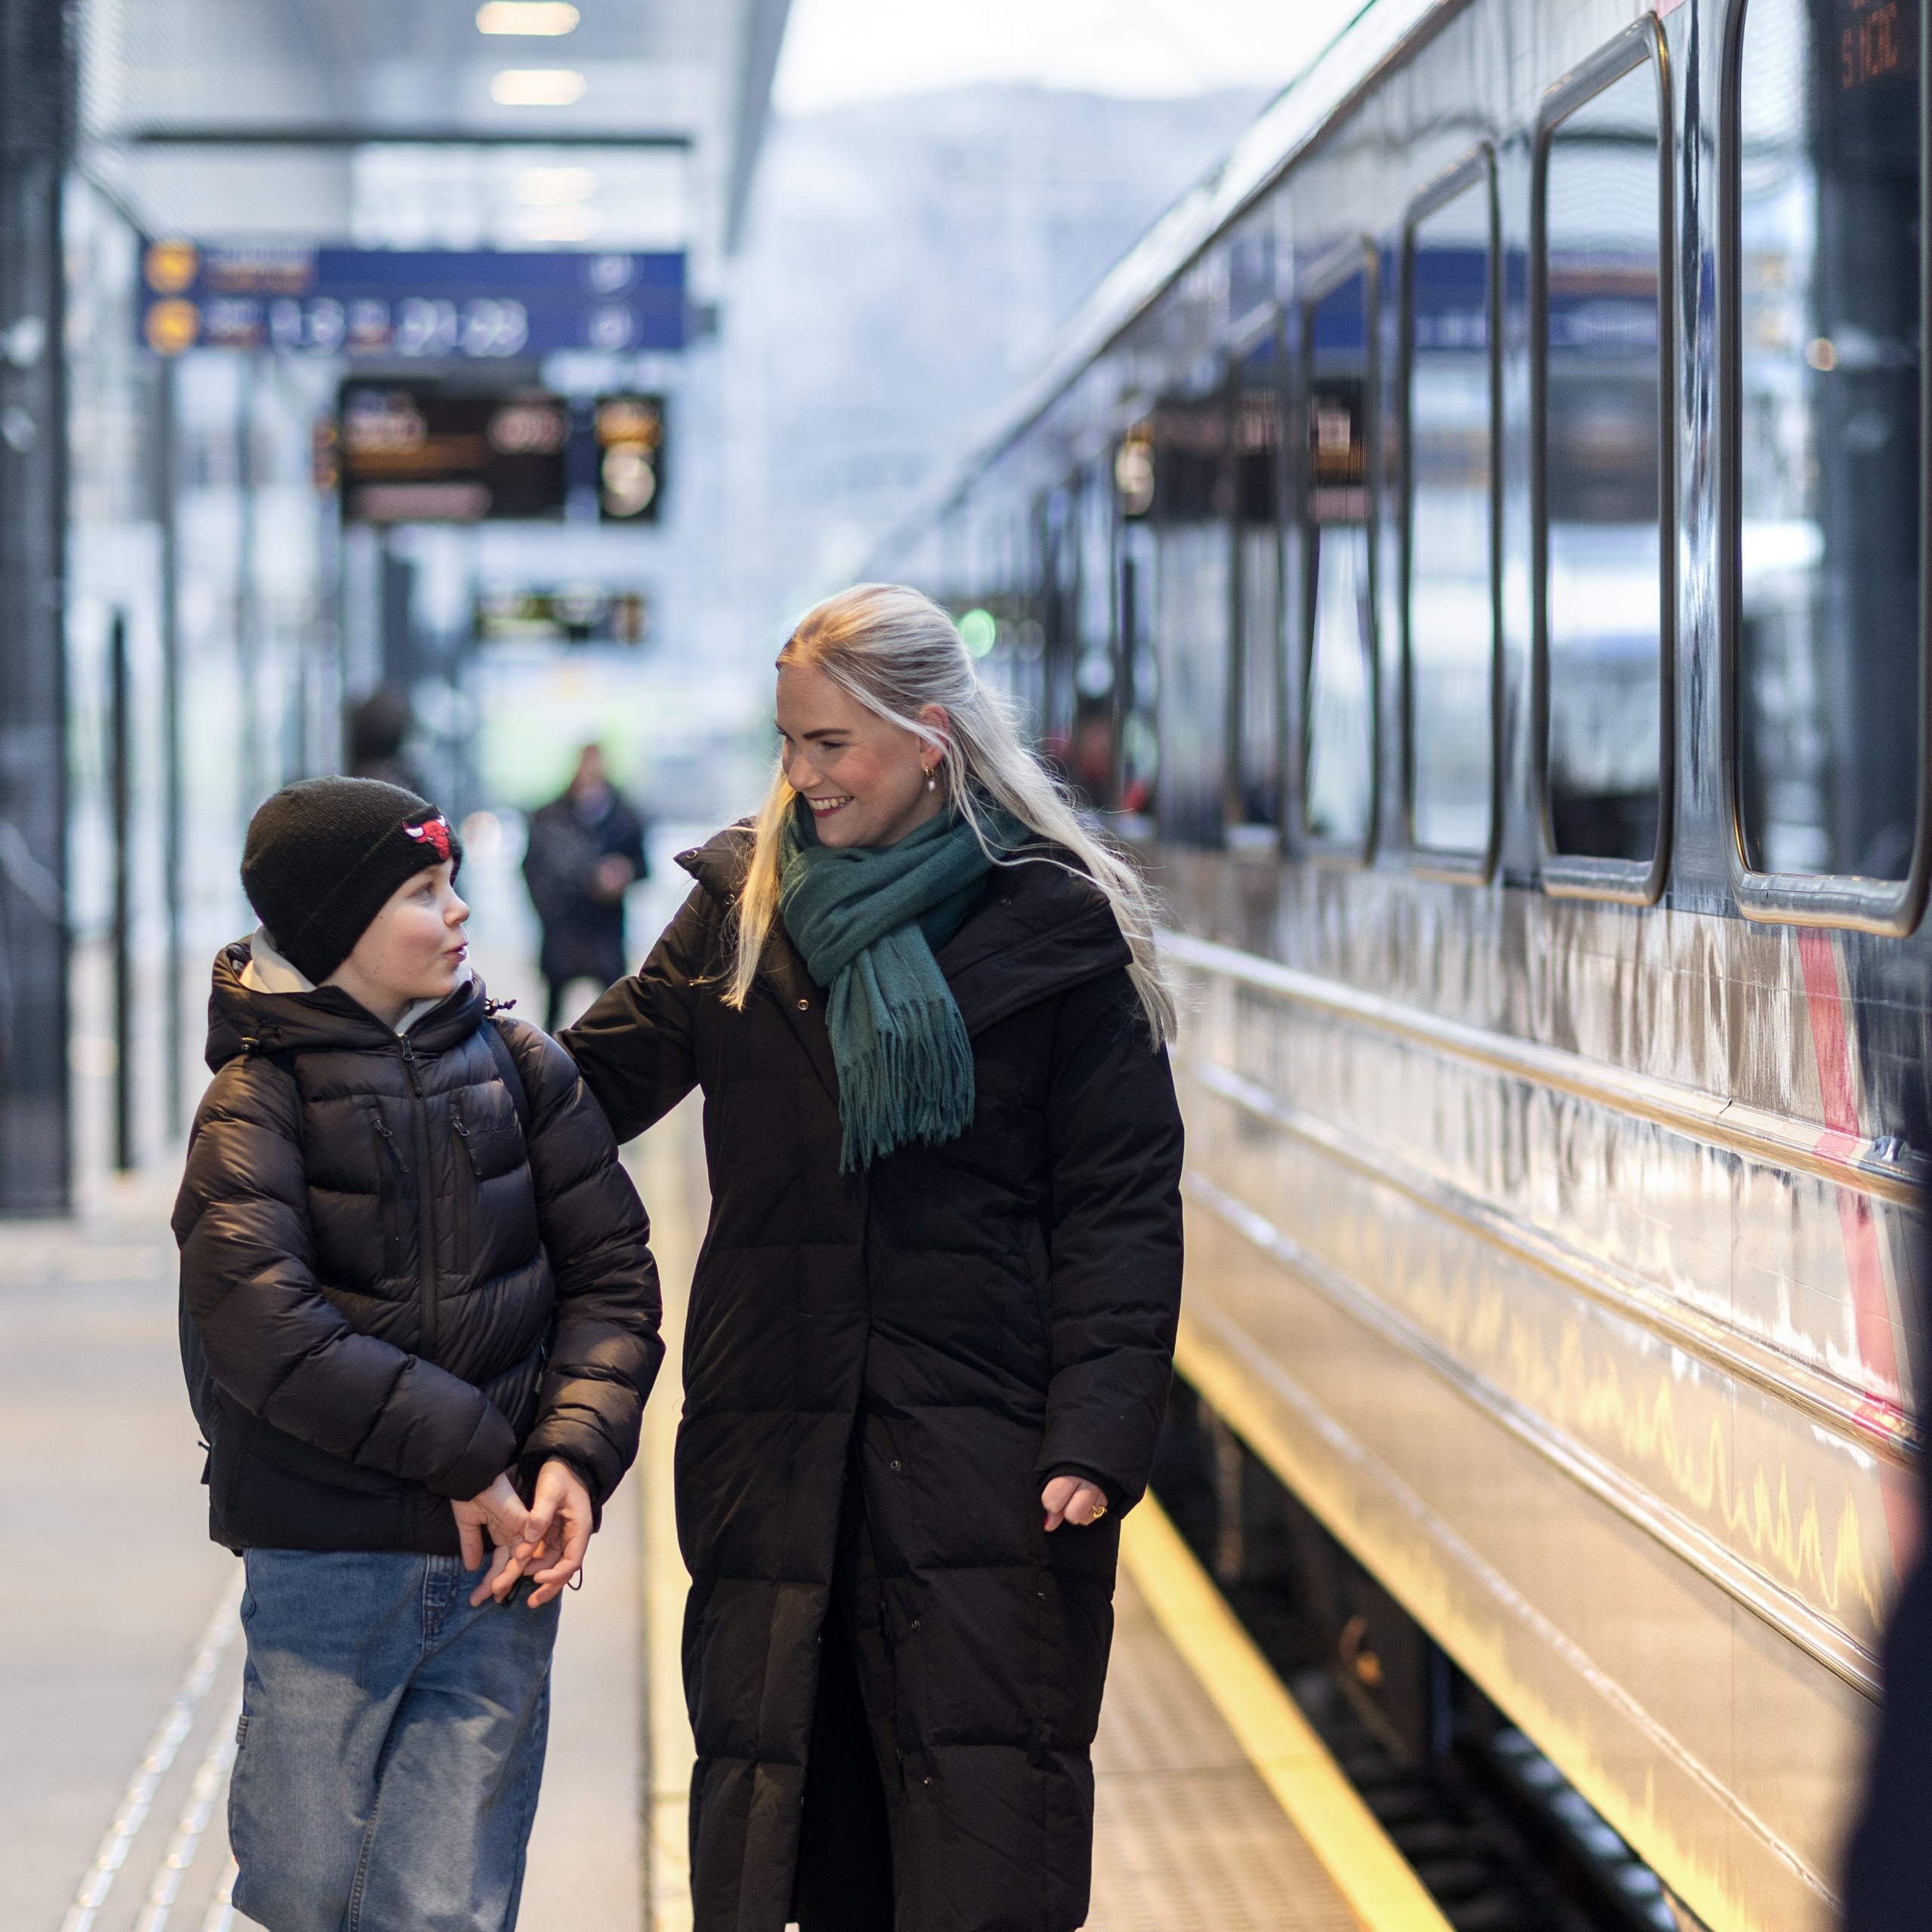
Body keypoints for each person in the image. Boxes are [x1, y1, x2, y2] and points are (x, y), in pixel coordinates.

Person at [561, 583, 1186, 1932]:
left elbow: (1122, 1204)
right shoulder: (744, 907)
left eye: (831, 745)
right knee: (799, 1822)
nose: (803, 775)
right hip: (780, 1442)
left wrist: (1098, 1431)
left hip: (987, 1453)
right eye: (789, 742)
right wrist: (374, 1058)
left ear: (930, 739)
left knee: (975, 1843)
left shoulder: (1058, 927)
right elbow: (584, 1092)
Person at [173, 775, 664, 1932]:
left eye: (452, 886)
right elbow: (262, 1323)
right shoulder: (257, 1100)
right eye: (423, 891)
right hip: (326, 1559)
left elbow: (612, 1278)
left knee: (446, 1901)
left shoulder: (523, 1069)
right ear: (338, 924)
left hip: (505, 1564)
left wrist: (573, 1457)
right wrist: (466, 1454)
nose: (458, 915)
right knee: (302, 1887)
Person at [523, 743, 650, 1033]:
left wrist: (622, 875)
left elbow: (642, 867)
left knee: (613, 1018)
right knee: (552, 1015)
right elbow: (533, 870)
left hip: (604, 930)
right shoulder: (549, 816)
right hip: (563, 928)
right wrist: (548, 911)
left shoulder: (624, 816)